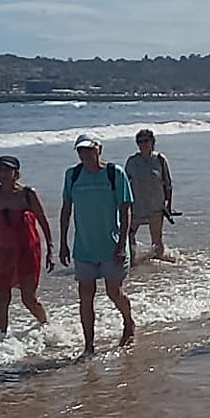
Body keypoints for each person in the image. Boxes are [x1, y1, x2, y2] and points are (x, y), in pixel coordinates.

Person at [59, 134, 135, 356]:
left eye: (89, 150)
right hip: (84, 248)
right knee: (85, 295)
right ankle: (89, 346)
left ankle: (128, 322)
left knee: (114, 292)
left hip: (112, 246)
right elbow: (66, 210)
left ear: (99, 149)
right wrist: (63, 242)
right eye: (81, 151)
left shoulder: (114, 173)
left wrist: (122, 244)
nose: (85, 155)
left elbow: (126, 210)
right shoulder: (73, 175)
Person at [0, 155, 53, 333]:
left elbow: (43, 220)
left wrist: (51, 249)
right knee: (1, 296)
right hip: (2, 251)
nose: (4, 174)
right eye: (0, 170)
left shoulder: (28, 194)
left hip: (27, 250)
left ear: (17, 174)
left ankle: (47, 326)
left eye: (8, 170)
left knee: (28, 297)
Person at [124, 129, 173, 261]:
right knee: (128, 235)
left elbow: (168, 184)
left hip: (155, 206)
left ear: (152, 142)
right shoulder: (132, 162)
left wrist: (168, 205)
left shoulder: (160, 160)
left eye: (146, 141)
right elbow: (124, 185)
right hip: (136, 207)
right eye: (140, 141)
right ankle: (132, 261)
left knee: (157, 240)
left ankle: (158, 268)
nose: (143, 144)